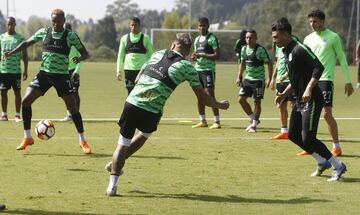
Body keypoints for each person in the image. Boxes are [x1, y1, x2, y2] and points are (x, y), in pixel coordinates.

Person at [105, 33, 230, 196]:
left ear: (173, 45)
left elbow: (141, 72)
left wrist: (140, 81)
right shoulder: (187, 67)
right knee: (144, 134)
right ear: (187, 51)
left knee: (122, 143)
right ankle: (117, 162)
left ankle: (112, 186)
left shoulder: (157, 54)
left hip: (132, 102)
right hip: (152, 109)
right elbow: (203, 98)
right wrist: (220, 104)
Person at [5, 9, 91, 154]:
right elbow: (26, 43)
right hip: (44, 74)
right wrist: (12, 52)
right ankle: (27, 138)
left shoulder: (70, 36)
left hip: (62, 76)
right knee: (26, 102)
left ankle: (82, 140)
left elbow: (85, 53)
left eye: (58, 21)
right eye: (53, 21)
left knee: (73, 108)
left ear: (64, 21)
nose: (55, 23)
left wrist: (79, 59)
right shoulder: (45, 32)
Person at [272, 17, 346, 181]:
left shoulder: (299, 48)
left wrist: (308, 88)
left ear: (285, 34)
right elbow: (296, 78)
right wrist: (284, 93)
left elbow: (319, 67)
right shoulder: (286, 51)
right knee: (293, 135)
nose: (274, 40)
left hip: (312, 98)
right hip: (299, 100)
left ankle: (338, 165)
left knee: (308, 137)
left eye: (275, 37)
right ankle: (321, 161)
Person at [299, 9, 354, 157]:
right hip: (310, 81)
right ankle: (309, 145)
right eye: (310, 21)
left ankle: (336, 146)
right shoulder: (307, 39)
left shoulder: (333, 37)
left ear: (323, 21)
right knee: (308, 113)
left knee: (326, 113)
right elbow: (303, 61)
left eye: (315, 21)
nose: (312, 24)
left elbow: (342, 59)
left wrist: (348, 81)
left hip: (325, 79)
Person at [235, 29, 273, 133]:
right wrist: (239, 76)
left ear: (256, 39)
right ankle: (253, 118)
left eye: (251, 37)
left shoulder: (260, 50)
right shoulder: (243, 49)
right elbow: (242, 63)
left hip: (258, 80)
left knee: (257, 102)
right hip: (248, 79)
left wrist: (269, 78)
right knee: (241, 100)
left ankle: (254, 125)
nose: (248, 39)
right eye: (247, 37)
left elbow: (269, 63)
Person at [191, 17, 221, 129]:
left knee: (210, 94)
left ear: (208, 26)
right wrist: (194, 57)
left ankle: (217, 121)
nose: (201, 27)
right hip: (198, 69)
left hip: (208, 70)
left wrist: (202, 55)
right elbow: (196, 54)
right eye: (200, 25)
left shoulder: (212, 38)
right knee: (199, 96)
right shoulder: (197, 39)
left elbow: (217, 55)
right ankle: (202, 120)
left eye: (204, 25)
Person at [0, 17, 28, 122]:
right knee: (3, 92)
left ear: (15, 24)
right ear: (6, 25)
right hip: (3, 71)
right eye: (8, 24)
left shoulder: (20, 38)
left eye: (12, 24)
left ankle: (17, 115)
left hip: (16, 71)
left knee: (17, 93)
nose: (10, 26)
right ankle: (4, 114)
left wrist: (25, 70)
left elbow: (25, 56)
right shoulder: (1, 37)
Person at [116, 17, 153, 94]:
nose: (133, 27)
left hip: (141, 70)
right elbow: (121, 56)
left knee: (141, 92)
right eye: (131, 25)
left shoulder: (145, 38)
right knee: (130, 92)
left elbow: (151, 56)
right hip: (128, 70)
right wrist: (118, 70)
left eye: (135, 25)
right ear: (129, 26)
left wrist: (150, 69)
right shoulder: (124, 38)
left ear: (139, 26)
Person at [269, 41, 295, 140]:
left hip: (291, 79)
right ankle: (284, 132)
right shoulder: (278, 46)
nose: (274, 39)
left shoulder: (293, 44)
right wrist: (272, 78)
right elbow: (278, 62)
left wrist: (287, 75)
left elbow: (295, 62)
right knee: (281, 105)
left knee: (294, 105)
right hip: (280, 80)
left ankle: (297, 130)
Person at [60, 23, 83, 122]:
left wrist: (77, 71)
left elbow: (81, 58)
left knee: (74, 93)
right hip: (64, 71)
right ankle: (69, 114)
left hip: (74, 71)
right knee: (67, 94)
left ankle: (75, 114)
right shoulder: (61, 42)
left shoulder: (75, 42)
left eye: (68, 30)